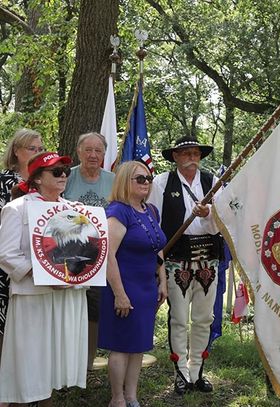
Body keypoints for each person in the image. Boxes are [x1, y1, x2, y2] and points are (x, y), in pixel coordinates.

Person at [0, 152, 87, 406]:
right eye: (56, 172)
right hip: (32, 296)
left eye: (65, 172)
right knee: (28, 363)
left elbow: (86, 250)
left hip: (65, 295)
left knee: (53, 363)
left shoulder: (75, 210)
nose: (63, 177)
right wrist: (42, 274)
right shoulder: (16, 208)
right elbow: (6, 254)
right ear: (37, 178)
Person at [148, 136, 221, 396]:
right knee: (178, 318)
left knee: (204, 318)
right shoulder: (161, 182)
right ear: (175, 157)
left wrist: (209, 213)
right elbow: (153, 219)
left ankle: (197, 371)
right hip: (176, 259)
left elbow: (223, 221)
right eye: (185, 153)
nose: (191, 157)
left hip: (208, 259)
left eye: (195, 153)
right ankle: (180, 372)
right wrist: (157, 259)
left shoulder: (212, 182)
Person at [98, 161, 167, 407]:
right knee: (121, 346)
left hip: (147, 287)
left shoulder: (151, 211)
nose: (146, 183)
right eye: (140, 179)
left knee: (138, 345)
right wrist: (120, 294)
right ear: (124, 181)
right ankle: (117, 399)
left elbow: (157, 250)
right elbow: (108, 256)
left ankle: (131, 396)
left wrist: (163, 282)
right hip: (123, 287)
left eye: (148, 178)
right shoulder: (117, 211)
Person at [64, 132, 114, 370]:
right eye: (88, 150)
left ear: (105, 154)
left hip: (101, 258)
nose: (93, 155)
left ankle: (86, 363)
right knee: (67, 309)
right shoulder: (66, 177)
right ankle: (64, 364)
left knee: (94, 310)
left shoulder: (113, 180)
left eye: (98, 151)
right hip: (67, 257)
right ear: (79, 151)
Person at [0, 128, 43, 369]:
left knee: (30, 332)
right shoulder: (3, 182)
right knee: (5, 328)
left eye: (40, 149)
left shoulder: (46, 180)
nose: (37, 153)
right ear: (16, 152)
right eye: (31, 149)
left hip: (39, 270)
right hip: (6, 267)